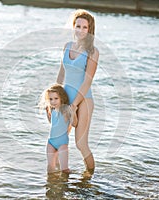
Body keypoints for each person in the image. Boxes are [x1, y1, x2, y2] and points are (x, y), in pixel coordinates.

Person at [56, 9, 99, 173]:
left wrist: (74, 105)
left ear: (90, 30)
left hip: (83, 100)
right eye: (78, 26)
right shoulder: (66, 46)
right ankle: (60, 176)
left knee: (81, 144)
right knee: (60, 140)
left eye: (85, 27)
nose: (80, 30)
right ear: (73, 27)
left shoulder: (93, 52)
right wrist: (53, 97)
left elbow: (87, 82)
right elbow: (61, 74)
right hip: (65, 98)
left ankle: (89, 177)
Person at [40, 84, 77, 174]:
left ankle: (66, 185)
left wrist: (73, 112)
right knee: (50, 168)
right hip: (51, 142)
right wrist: (46, 111)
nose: (53, 101)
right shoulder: (52, 110)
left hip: (62, 143)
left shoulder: (66, 109)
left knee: (65, 170)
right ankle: (52, 185)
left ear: (61, 97)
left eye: (56, 98)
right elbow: (52, 123)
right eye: (51, 99)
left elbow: (74, 124)